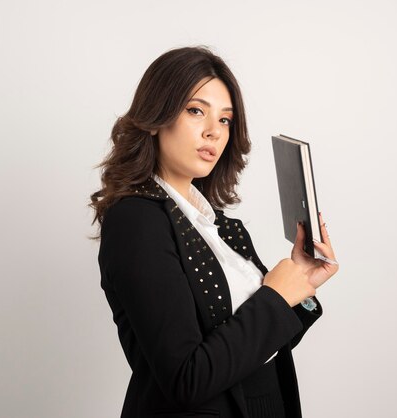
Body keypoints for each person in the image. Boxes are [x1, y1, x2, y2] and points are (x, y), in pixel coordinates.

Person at [88, 45, 339, 418]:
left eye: (224, 120)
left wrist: (300, 284)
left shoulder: (216, 224)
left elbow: (253, 345)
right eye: (195, 111)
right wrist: (273, 295)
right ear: (157, 117)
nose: (213, 132)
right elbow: (186, 380)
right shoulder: (136, 222)